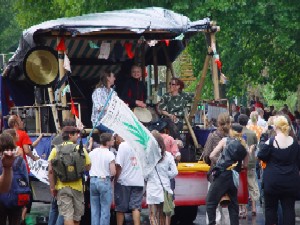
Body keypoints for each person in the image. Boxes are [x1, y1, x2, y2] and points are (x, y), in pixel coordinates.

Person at [257, 115, 300, 225]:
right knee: (289, 209)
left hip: (272, 181)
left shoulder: (271, 142)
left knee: (270, 208)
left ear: (276, 127)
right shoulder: (295, 144)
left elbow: (261, 155)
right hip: (291, 181)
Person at [48, 125, 91, 225]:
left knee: (67, 215)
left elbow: (50, 170)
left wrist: (52, 187)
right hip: (78, 188)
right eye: (76, 134)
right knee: (77, 217)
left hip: (62, 187)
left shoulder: (56, 150)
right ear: (71, 135)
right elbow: (88, 166)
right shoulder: (81, 149)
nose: (78, 136)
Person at [206, 124, 248, 225]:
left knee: (210, 202)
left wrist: (221, 161)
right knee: (233, 205)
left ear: (231, 131)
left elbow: (211, 155)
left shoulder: (225, 141)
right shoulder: (244, 145)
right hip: (234, 176)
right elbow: (245, 165)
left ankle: (212, 223)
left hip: (223, 175)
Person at [7, 114, 42, 224]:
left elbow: (29, 147)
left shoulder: (5, 135)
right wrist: (33, 157)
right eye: (21, 121)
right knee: (26, 195)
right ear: (16, 124)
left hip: (7, 170)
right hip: (21, 171)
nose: (23, 123)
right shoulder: (22, 134)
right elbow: (27, 150)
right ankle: (21, 218)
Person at [202, 112, 231, 225]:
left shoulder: (212, 136)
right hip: (230, 175)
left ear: (218, 123)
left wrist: (211, 162)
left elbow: (206, 154)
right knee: (227, 207)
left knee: (213, 205)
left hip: (215, 174)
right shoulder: (232, 137)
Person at [145, 132, 178, 225]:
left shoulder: (148, 156)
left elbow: (145, 175)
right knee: (164, 215)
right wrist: (166, 175)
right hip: (165, 189)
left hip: (152, 189)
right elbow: (175, 172)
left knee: (153, 216)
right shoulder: (168, 155)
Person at [48, 119, 77, 225]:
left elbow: (50, 166)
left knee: (54, 207)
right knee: (63, 210)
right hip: (65, 181)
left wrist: (52, 185)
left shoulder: (55, 140)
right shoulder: (71, 143)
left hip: (55, 178)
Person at [114, 137, 144, 225]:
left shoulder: (123, 146)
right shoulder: (141, 146)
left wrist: (116, 179)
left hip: (124, 181)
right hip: (139, 180)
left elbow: (119, 165)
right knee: (136, 208)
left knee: (120, 208)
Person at [0, 132, 28, 225]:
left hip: (1, 200)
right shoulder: (19, 160)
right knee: (15, 221)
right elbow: (25, 180)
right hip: (17, 197)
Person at [89, 133, 116, 225]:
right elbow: (113, 172)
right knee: (105, 209)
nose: (114, 141)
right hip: (104, 180)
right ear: (107, 142)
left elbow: (87, 166)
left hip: (93, 180)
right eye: (112, 140)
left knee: (94, 209)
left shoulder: (92, 152)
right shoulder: (110, 154)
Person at [238, 114, 259, 217]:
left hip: (240, 163)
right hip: (251, 162)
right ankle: (254, 207)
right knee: (252, 184)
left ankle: (243, 209)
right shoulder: (252, 133)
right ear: (247, 122)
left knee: (242, 185)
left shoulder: (238, 134)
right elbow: (255, 146)